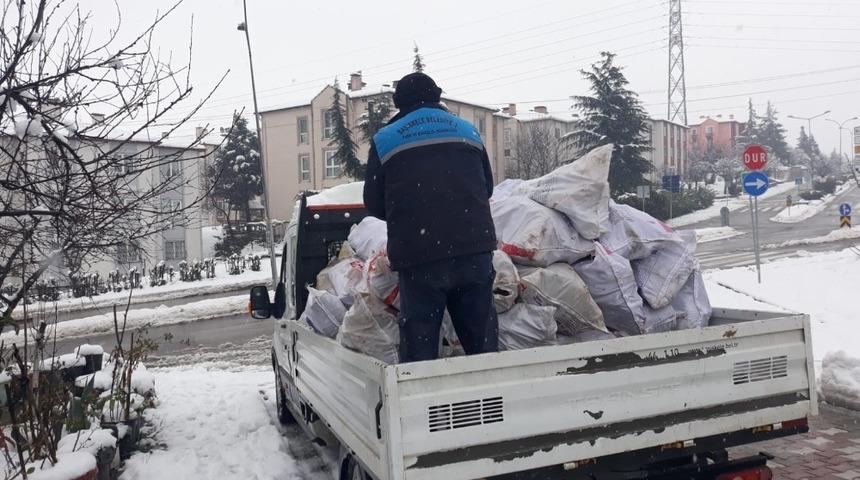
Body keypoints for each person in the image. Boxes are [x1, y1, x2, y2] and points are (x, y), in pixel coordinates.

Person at [363, 72, 498, 362]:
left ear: (399, 103)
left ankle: (423, 404)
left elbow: (373, 203)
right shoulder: (468, 131)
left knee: (420, 347)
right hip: (473, 250)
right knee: (483, 345)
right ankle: (491, 400)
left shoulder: (385, 139)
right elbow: (486, 187)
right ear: (437, 96)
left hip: (419, 257)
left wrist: (411, 217)